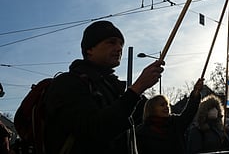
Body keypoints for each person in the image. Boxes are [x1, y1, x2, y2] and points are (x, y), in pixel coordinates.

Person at [44, 20, 165, 154]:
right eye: (111, 42)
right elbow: (93, 130)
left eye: (121, 44)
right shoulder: (68, 83)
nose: (119, 48)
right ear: (90, 49)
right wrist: (137, 88)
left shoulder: (112, 87)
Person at [136, 78, 203, 154]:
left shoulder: (175, 123)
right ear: (151, 109)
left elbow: (189, 113)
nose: (166, 107)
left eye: (167, 104)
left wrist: (196, 93)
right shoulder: (142, 132)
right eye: (162, 105)